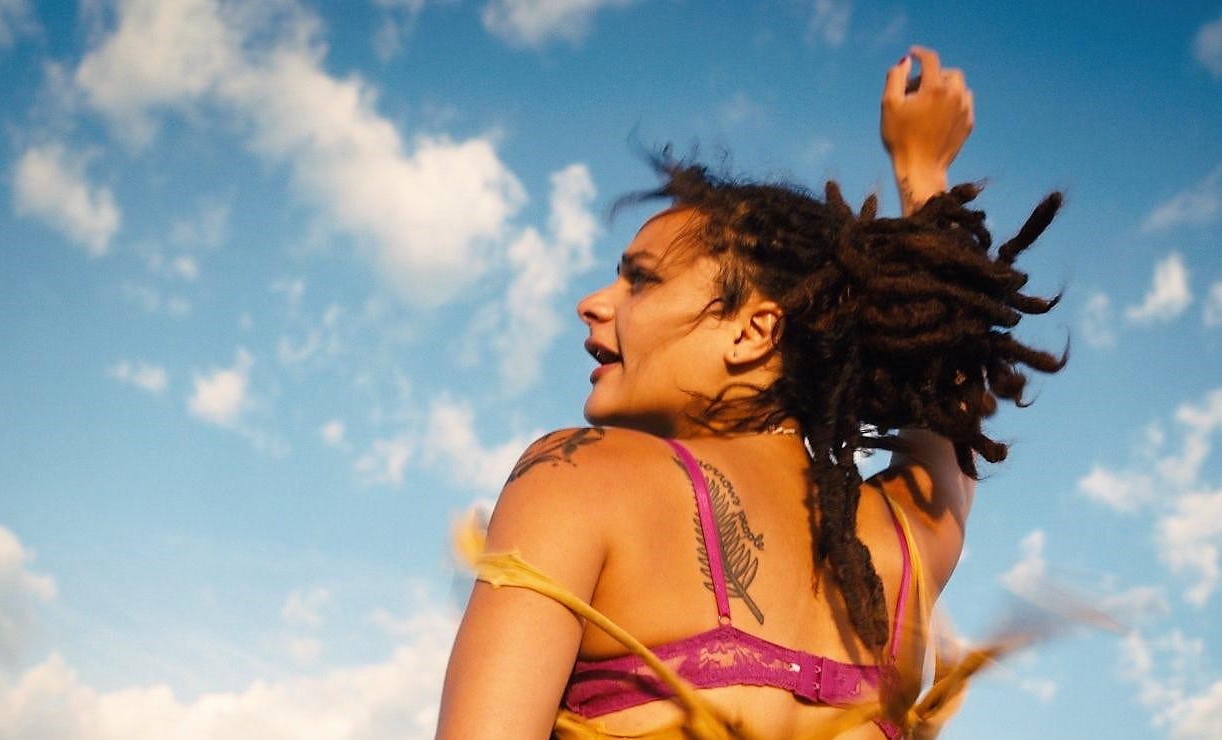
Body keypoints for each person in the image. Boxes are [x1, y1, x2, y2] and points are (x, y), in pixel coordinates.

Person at [437, 46, 1064, 739]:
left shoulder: (578, 477)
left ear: (752, 331)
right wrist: (924, 169)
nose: (592, 303)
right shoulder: (904, 546)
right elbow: (949, 385)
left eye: (640, 280)